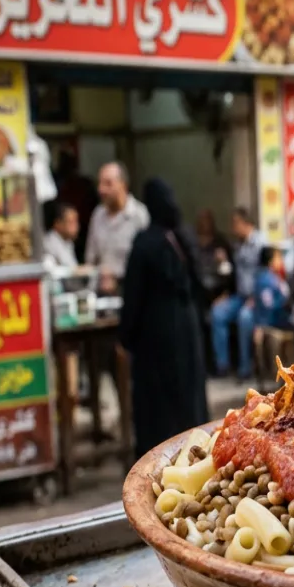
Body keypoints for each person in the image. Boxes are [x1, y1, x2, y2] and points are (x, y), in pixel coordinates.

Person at [118, 178, 209, 458]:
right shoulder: (183, 237)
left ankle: (158, 462)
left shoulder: (144, 243)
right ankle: (196, 455)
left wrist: (125, 337)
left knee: (158, 407)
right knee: (188, 399)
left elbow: (133, 295)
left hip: (155, 334)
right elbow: (200, 285)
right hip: (187, 328)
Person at [210, 207, 264, 379]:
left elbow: (265, 274)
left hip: (256, 298)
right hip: (240, 296)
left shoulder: (260, 243)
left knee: (244, 318)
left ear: (245, 223)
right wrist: (226, 293)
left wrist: (255, 297)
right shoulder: (238, 245)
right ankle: (222, 365)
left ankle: (245, 368)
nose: (233, 228)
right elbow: (235, 274)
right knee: (217, 312)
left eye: (235, 224)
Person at [85, 161, 149, 294]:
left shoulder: (139, 216)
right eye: (100, 183)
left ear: (123, 185)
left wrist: (117, 276)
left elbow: (147, 263)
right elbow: (91, 259)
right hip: (101, 293)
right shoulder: (98, 215)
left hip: (131, 292)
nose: (101, 190)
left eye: (108, 184)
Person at [194, 209, 233, 305]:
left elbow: (229, 271)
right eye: (201, 220)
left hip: (217, 288)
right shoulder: (193, 241)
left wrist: (223, 261)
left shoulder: (220, 241)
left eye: (206, 220)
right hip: (198, 288)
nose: (204, 224)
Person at [253, 246, 291, 332]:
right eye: (278, 258)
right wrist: (284, 302)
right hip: (271, 322)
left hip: (277, 319)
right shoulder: (265, 280)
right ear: (270, 262)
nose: (281, 261)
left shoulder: (274, 276)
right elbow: (268, 306)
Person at [42, 201, 79, 270]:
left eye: (76, 221)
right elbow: (69, 269)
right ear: (58, 224)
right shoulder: (50, 243)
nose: (76, 226)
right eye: (71, 222)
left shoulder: (68, 242)